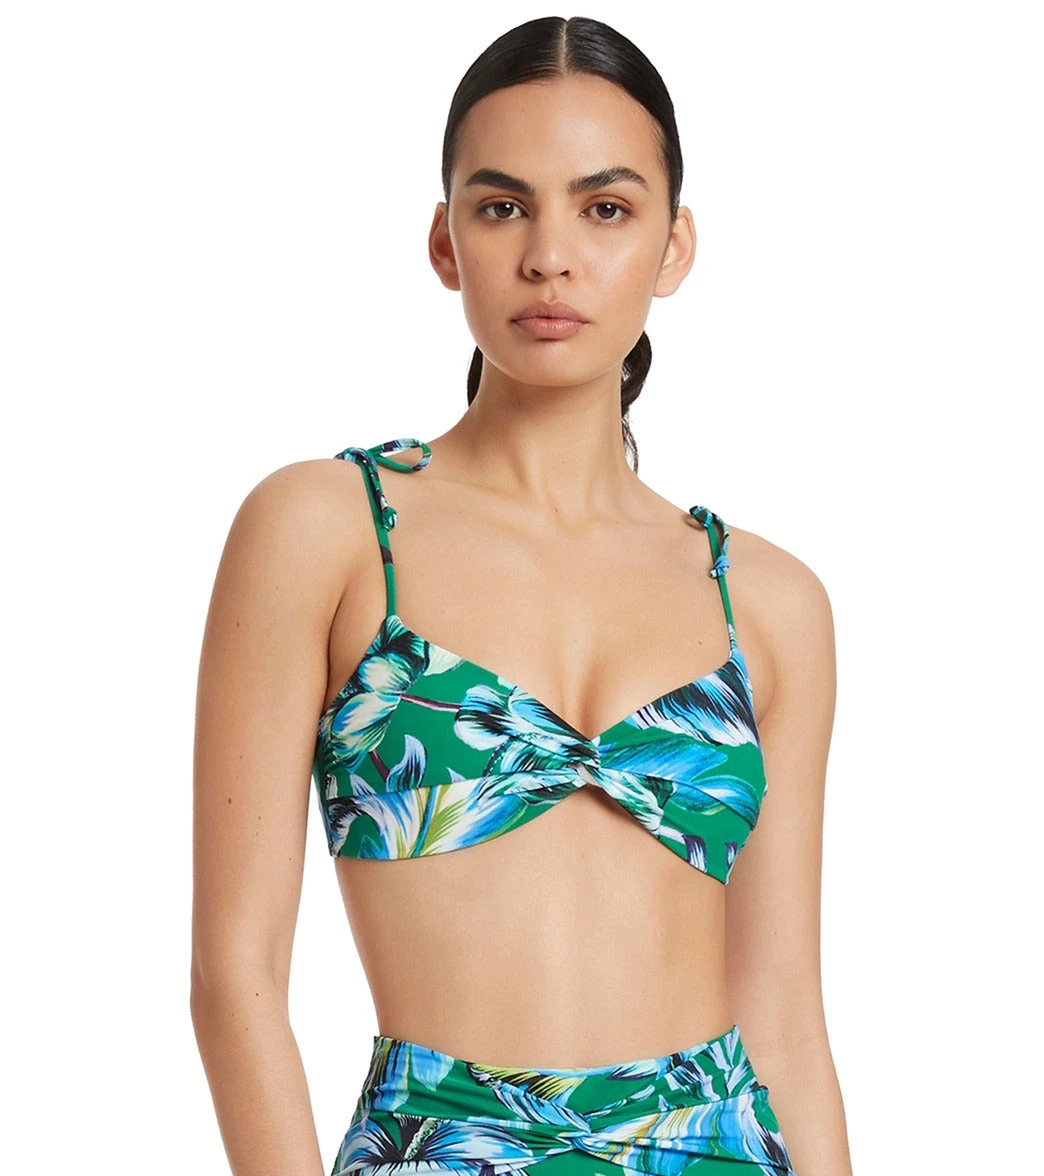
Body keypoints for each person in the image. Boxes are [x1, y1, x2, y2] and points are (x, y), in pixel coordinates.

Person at [190, 16, 851, 1176]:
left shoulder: (768, 602)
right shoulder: (326, 531)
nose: (551, 256)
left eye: (606, 209)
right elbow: (233, 978)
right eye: (503, 207)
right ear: (445, 242)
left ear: (674, 246)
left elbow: (786, 1013)